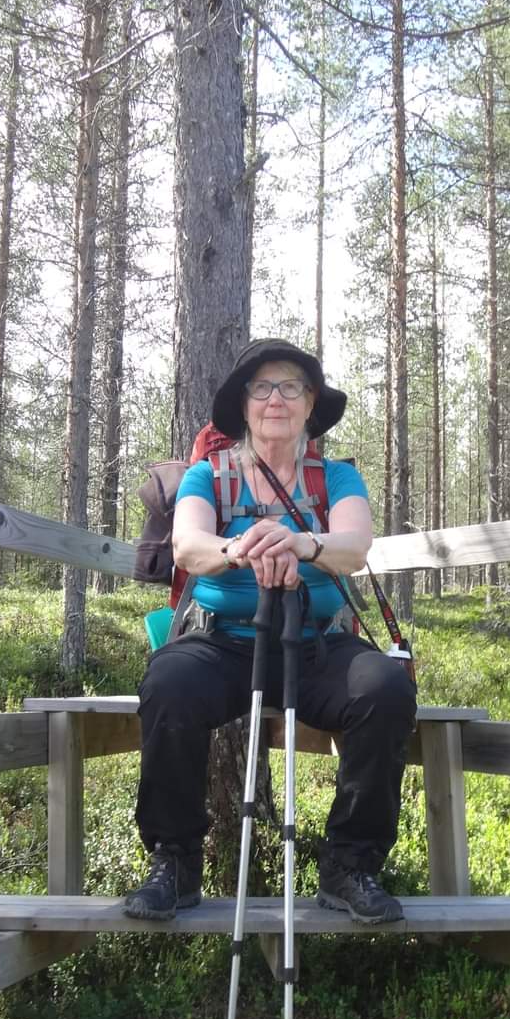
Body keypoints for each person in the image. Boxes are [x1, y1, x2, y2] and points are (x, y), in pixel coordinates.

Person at [123, 338, 417, 924]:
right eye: (262, 388)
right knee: (170, 685)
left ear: (311, 405)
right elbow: (188, 545)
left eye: (291, 387)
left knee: (383, 689)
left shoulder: (337, 478)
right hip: (224, 642)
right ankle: (174, 863)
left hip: (316, 645)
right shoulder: (207, 477)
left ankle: (350, 865)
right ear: (245, 406)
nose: (275, 399)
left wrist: (302, 541)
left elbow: (355, 546)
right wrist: (241, 548)